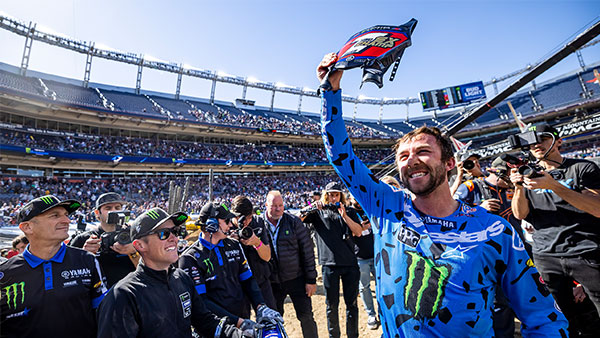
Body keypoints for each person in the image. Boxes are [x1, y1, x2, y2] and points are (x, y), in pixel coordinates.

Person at [316, 53, 568, 337]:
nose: (411, 160)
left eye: (423, 151)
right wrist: (330, 91)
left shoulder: (495, 230)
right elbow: (341, 157)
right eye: (403, 156)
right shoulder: (386, 208)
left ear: (449, 164)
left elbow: (543, 317)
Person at [97, 207, 245, 338]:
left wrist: (242, 334)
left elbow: (206, 322)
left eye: (175, 231)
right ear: (140, 245)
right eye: (164, 234)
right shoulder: (123, 295)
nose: (174, 238)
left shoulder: (181, 278)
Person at [510, 123, 600, 336]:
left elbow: (597, 208)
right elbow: (520, 214)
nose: (536, 144)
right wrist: (518, 187)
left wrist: (554, 186)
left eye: (542, 138)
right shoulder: (529, 176)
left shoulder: (582, 167)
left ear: (558, 141)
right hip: (546, 256)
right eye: (532, 141)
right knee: (557, 317)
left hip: (585, 251)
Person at [0, 195, 107, 337]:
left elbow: (104, 314)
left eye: (66, 215)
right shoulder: (4, 273)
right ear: (27, 227)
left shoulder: (87, 260)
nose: (67, 220)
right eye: (55, 215)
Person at [454, 156, 529, 337]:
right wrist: (479, 208)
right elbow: (451, 215)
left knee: (523, 296)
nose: (516, 177)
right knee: (499, 304)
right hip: (486, 256)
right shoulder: (471, 187)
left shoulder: (516, 189)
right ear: (500, 173)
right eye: (513, 173)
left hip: (516, 250)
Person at [178, 202, 282, 332]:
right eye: (226, 221)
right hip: (215, 328)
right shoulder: (190, 258)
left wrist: (261, 306)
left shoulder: (234, 245)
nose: (230, 225)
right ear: (212, 224)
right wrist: (238, 322)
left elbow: (248, 279)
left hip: (242, 321)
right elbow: (201, 301)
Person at [301, 182, 362, 338]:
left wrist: (345, 216)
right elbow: (299, 218)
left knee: (352, 305)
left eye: (336, 194)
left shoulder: (349, 211)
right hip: (329, 264)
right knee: (331, 305)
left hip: (350, 264)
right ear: (325, 195)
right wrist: (313, 206)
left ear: (341, 195)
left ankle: (352, 335)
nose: (334, 197)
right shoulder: (318, 212)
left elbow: (359, 232)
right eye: (330, 194)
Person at [263, 190, 319, 338]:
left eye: (280, 205)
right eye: (274, 205)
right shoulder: (259, 224)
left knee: (306, 317)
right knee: (273, 320)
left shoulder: (293, 222)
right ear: (266, 205)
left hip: (297, 279)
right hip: (272, 282)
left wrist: (311, 280)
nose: (278, 208)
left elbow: (307, 252)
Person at [69, 192, 138, 288]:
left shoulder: (134, 236)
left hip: (129, 295)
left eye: (117, 208)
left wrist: (134, 252)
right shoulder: (83, 239)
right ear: (97, 213)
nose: (113, 211)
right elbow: (67, 273)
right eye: (108, 208)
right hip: (96, 297)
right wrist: (85, 256)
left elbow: (150, 271)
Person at [231, 195, 276, 309]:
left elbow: (267, 257)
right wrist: (230, 241)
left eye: (249, 217)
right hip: (237, 284)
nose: (246, 222)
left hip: (260, 278)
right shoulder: (226, 227)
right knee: (243, 323)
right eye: (242, 219)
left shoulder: (257, 222)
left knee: (271, 318)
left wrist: (257, 242)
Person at [348, 194, 379, 330]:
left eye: (359, 197)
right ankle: (371, 314)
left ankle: (383, 311)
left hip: (377, 254)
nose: (357, 201)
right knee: (364, 287)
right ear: (350, 198)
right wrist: (359, 229)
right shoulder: (349, 212)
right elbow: (349, 233)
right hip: (360, 257)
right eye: (354, 198)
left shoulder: (371, 207)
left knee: (382, 285)